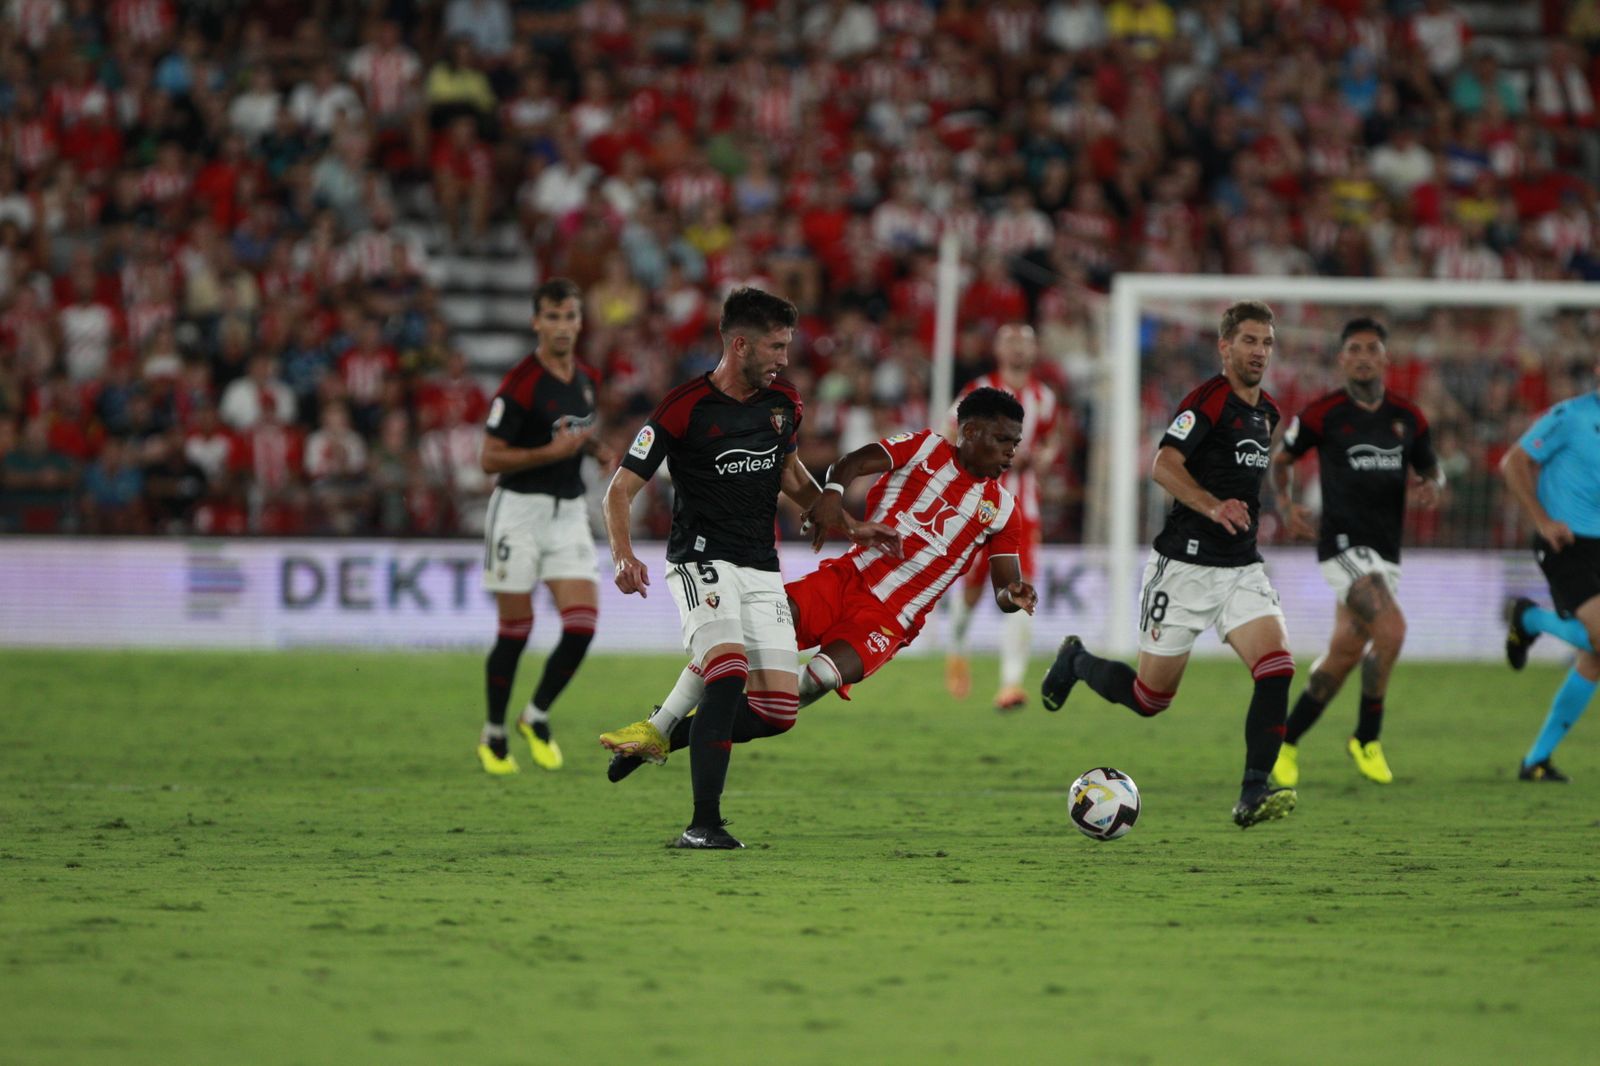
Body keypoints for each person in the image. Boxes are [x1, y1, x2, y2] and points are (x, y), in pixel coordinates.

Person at [600, 387, 1039, 781]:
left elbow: (1005, 585)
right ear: (970, 431)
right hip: (845, 577)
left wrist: (1011, 595)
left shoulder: (1002, 510)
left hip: (891, 616)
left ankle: (670, 735)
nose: (1011, 452)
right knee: (743, 634)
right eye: (1003, 440)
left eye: (1015, 443)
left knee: (817, 680)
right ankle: (656, 728)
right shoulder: (924, 448)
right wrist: (831, 493)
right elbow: (853, 462)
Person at [605, 288, 860, 849]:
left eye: (787, 346)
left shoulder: (784, 403)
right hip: (700, 558)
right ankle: (703, 825)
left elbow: (789, 473)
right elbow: (619, 489)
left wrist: (829, 511)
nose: (784, 358)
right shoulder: (683, 407)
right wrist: (623, 554)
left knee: (776, 712)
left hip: (761, 566)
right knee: (725, 672)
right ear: (739, 344)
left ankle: (661, 731)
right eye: (775, 346)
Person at [1039, 300, 1298, 829]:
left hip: (1241, 568)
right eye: (1249, 340)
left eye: (1267, 342)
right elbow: (1163, 464)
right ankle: (1077, 660)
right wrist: (1212, 506)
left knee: (1277, 669)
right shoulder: (1208, 401)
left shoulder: (1266, 412)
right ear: (1225, 347)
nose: (1259, 351)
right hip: (1184, 566)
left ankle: (1253, 792)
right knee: (1150, 698)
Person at [1267, 318, 1443, 787]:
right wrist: (1285, 505)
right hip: (1343, 546)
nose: (1363, 356)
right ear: (1342, 358)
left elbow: (1431, 468)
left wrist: (1431, 483)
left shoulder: (1409, 417)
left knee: (1344, 655)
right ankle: (1366, 736)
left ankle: (1283, 743)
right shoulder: (1323, 413)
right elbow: (1280, 459)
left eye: (1372, 348)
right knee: (1392, 630)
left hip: (1387, 554)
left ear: (1385, 358)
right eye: (1354, 349)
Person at [475, 278, 612, 776]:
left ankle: (535, 715)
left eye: (569, 316)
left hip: (568, 512)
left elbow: (576, 429)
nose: (561, 326)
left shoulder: (586, 377)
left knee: (582, 625)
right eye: (552, 317)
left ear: (580, 321)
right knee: (517, 630)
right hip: (518, 512)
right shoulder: (519, 385)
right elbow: (488, 458)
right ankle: (493, 734)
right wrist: (547, 454)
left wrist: (596, 449)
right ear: (536, 322)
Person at [944, 324, 1062, 710]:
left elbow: (1050, 439)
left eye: (1025, 343)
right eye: (1010, 342)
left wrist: (1043, 458)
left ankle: (1010, 685)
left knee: (1019, 587)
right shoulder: (978, 390)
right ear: (997, 349)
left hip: (1023, 512)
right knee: (974, 590)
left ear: (1035, 350)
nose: (1017, 350)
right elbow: (949, 432)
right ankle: (957, 648)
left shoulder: (1044, 397)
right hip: (980, 508)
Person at [1500, 359, 1600, 782]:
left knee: (1595, 659)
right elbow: (1513, 463)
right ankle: (1531, 617)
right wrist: (1542, 520)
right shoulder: (1571, 415)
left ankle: (1536, 761)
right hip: (1565, 541)